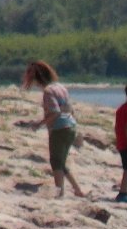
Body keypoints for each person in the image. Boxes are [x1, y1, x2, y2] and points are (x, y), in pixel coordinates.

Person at [22, 61, 84, 198]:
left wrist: (40, 124)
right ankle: (77, 190)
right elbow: (70, 109)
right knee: (60, 161)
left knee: (55, 162)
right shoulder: (60, 87)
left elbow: (55, 112)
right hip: (71, 126)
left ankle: (59, 192)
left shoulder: (48, 91)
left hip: (60, 128)